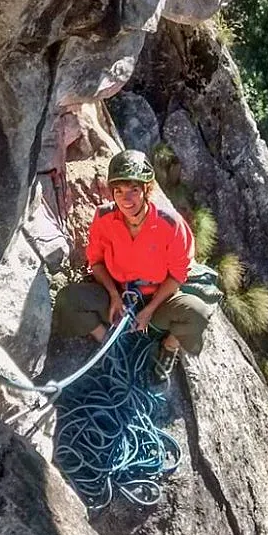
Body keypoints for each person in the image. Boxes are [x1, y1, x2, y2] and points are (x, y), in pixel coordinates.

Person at [55, 148, 213, 379]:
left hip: (158, 300)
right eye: (118, 191)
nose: (125, 199)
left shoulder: (171, 224)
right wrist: (114, 296)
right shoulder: (104, 218)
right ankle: (108, 343)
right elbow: (96, 262)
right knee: (67, 300)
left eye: (133, 190)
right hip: (118, 295)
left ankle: (168, 348)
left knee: (198, 313)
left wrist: (149, 310)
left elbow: (178, 275)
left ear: (146, 190)